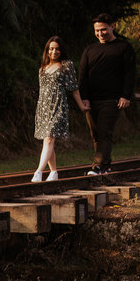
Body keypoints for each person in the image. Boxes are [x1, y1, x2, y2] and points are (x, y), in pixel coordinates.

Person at [78, 13, 136, 175]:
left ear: (113, 26)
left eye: (103, 29)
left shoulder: (124, 48)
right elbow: (82, 76)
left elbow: (130, 74)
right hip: (91, 100)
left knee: (104, 131)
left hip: (112, 99)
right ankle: (105, 165)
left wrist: (126, 95)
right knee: (95, 134)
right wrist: (85, 98)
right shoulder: (90, 50)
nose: (100, 33)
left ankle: (98, 166)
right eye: (97, 30)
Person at [32, 36, 87, 182]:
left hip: (58, 105)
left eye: (57, 48)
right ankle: (54, 172)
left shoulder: (66, 65)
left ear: (61, 50)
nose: (54, 51)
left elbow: (74, 88)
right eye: (51, 49)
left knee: (49, 138)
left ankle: (38, 172)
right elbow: (41, 90)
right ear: (47, 51)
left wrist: (81, 105)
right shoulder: (42, 69)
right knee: (47, 140)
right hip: (43, 108)